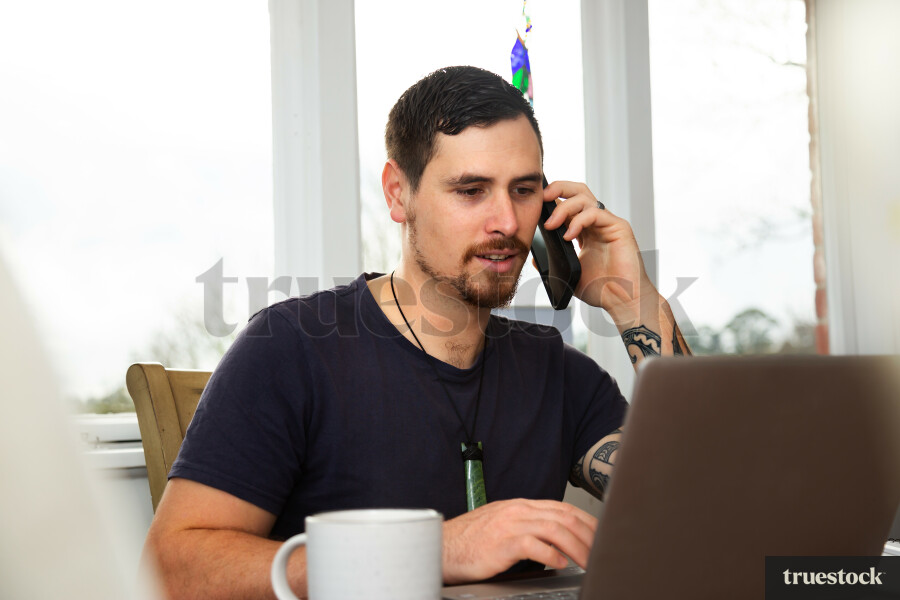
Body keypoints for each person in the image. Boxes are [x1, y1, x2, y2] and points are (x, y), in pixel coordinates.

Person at [144, 65, 690, 599]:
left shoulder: (560, 373)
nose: (506, 221)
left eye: (524, 190)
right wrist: (435, 549)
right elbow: (172, 570)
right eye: (471, 190)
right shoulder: (291, 346)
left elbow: (704, 509)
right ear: (397, 193)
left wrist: (635, 306)